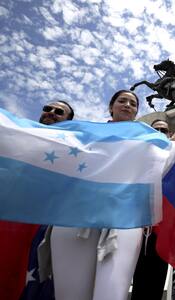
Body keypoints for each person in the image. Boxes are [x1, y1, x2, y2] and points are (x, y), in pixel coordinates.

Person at [48, 90, 143, 300]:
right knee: (71, 294)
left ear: (136, 112)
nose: (127, 105)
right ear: (111, 107)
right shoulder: (85, 134)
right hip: (75, 215)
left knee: (111, 294)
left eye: (133, 103)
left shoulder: (148, 141)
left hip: (123, 219)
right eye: (122, 101)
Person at [0, 100, 74, 300]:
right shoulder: (15, 137)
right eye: (47, 108)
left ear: (68, 121)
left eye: (59, 112)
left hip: (40, 227)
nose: (51, 112)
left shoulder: (72, 150)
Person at [131, 118, 175, 300]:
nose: (159, 133)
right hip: (137, 229)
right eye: (155, 129)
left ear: (169, 135)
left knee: (156, 283)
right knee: (137, 281)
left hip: (163, 231)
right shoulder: (139, 157)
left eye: (163, 130)